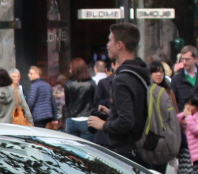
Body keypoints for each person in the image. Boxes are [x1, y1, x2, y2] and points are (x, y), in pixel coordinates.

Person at [87, 21, 149, 161]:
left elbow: (127, 121)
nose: (107, 45)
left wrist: (103, 125)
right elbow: (137, 111)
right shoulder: (141, 72)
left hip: (127, 151)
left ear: (120, 45)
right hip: (141, 148)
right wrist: (112, 113)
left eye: (110, 40)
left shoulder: (122, 79)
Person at [63, 58, 96, 140]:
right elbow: (95, 101)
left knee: (73, 150)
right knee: (88, 149)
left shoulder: (68, 84)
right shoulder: (91, 84)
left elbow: (67, 102)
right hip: (87, 118)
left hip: (71, 118)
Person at [171, 45, 198, 110]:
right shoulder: (176, 79)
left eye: (187, 59)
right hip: (184, 118)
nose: (184, 62)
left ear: (195, 59)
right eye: (183, 59)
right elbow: (173, 103)